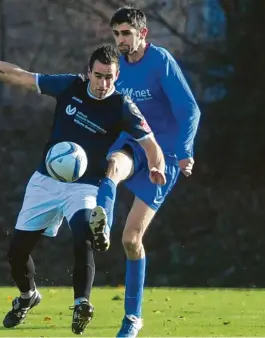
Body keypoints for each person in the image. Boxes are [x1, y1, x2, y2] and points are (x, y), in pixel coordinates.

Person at [0, 28, 165, 335]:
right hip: (45, 180)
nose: (104, 83)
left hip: (85, 186)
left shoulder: (122, 106)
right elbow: (19, 76)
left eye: (110, 77)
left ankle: (82, 303)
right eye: (98, 76)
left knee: (84, 233)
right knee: (17, 254)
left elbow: (151, 145)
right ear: (88, 72)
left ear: (117, 76)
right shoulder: (69, 86)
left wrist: (156, 167)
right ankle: (28, 297)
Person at [88, 7, 202, 337]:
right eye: (116, 33)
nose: (121, 39)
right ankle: (102, 225)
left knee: (132, 240)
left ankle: (133, 318)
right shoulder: (114, 65)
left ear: (142, 34)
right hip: (131, 144)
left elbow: (189, 109)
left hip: (162, 155)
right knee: (111, 167)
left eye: (126, 33)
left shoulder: (161, 61)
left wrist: (184, 153)